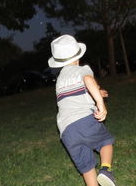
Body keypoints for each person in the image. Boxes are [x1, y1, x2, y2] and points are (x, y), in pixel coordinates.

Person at [48, 35, 116, 186]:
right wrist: (100, 103)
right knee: (106, 142)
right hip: (85, 121)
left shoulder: (59, 80)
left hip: (66, 131)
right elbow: (88, 81)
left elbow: (75, 96)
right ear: (78, 57)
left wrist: (98, 92)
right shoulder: (82, 69)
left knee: (86, 166)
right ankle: (106, 170)